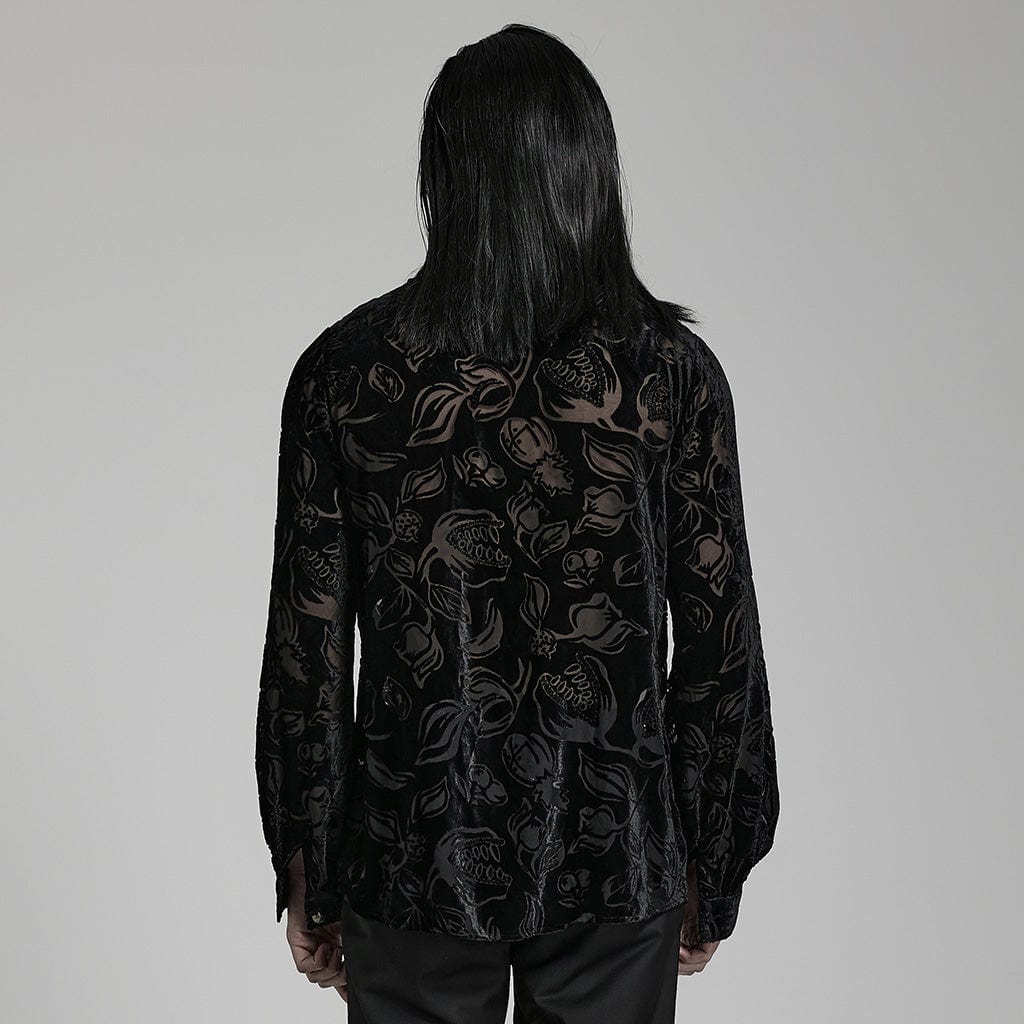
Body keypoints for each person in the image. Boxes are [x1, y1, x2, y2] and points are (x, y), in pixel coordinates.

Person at [254, 22, 779, 1023]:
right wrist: (713, 864)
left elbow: (306, 652)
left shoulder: (346, 374)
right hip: (616, 859)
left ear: (443, 173)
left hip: (410, 854)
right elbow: (720, 645)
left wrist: (308, 864)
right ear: (588, 167)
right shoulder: (669, 377)